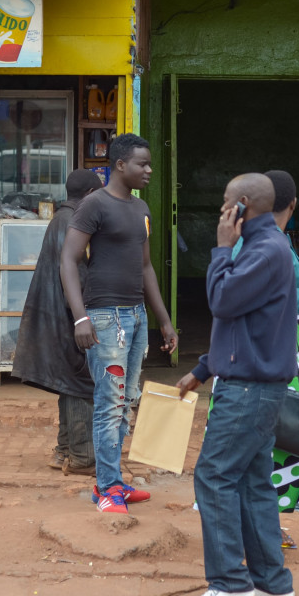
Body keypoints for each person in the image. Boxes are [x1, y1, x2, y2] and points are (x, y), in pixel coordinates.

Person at [177, 173, 297, 596]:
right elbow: (241, 325)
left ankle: (229, 583)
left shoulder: (263, 250)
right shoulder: (266, 247)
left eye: (225, 203)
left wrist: (222, 247)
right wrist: (204, 369)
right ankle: (271, 581)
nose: (221, 211)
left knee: (214, 477)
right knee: (251, 482)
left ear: (242, 205)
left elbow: (222, 302)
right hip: (251, 384)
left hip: (248, 390)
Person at [61, 133, 177, 514]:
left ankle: (113, 483)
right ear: (120, 165)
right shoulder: (94, 205)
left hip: (136, 316)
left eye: (150, 164)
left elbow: (145, 267)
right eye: (142, 164)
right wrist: (80, 316)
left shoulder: (141, 209)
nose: (148, 170)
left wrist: (164, 320)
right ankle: (107, 488)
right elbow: (68, 261)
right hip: (105, 317)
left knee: (126, 402)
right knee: (109, 403)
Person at [11, 169, 106, 476]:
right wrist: (84, 317)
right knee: (82, 382)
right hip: (68, 316)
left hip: (55, 315)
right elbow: (76, 278)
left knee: (68, 381)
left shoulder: (60, 219)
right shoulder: (75, 223)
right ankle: (82, 456)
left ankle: (64, 450)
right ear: (91, 195)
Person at [252, 171, 299, 542]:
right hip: (271, 358)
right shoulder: (266, 242)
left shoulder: (264, 239)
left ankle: (262, 521)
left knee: (287, 436)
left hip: (280, 356)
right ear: (292, 205)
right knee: (293, 438)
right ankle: (260, 526)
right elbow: (266, 296)